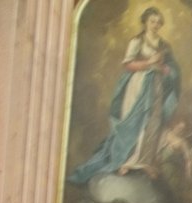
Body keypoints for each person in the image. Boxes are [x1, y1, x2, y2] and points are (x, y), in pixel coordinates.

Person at [68, 6, 181, 184]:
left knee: (152, 122)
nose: (155, 25)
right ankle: (126, 161)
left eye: (159, 22)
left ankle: (144, 161)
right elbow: (128, 64)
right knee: (134, 122)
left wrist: (166, 69)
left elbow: (171, 69)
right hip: (138, 85)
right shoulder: (137, 41)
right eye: (152, 21)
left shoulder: (164, 45)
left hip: (156, 86)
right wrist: (149, 62)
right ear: (145, 22)